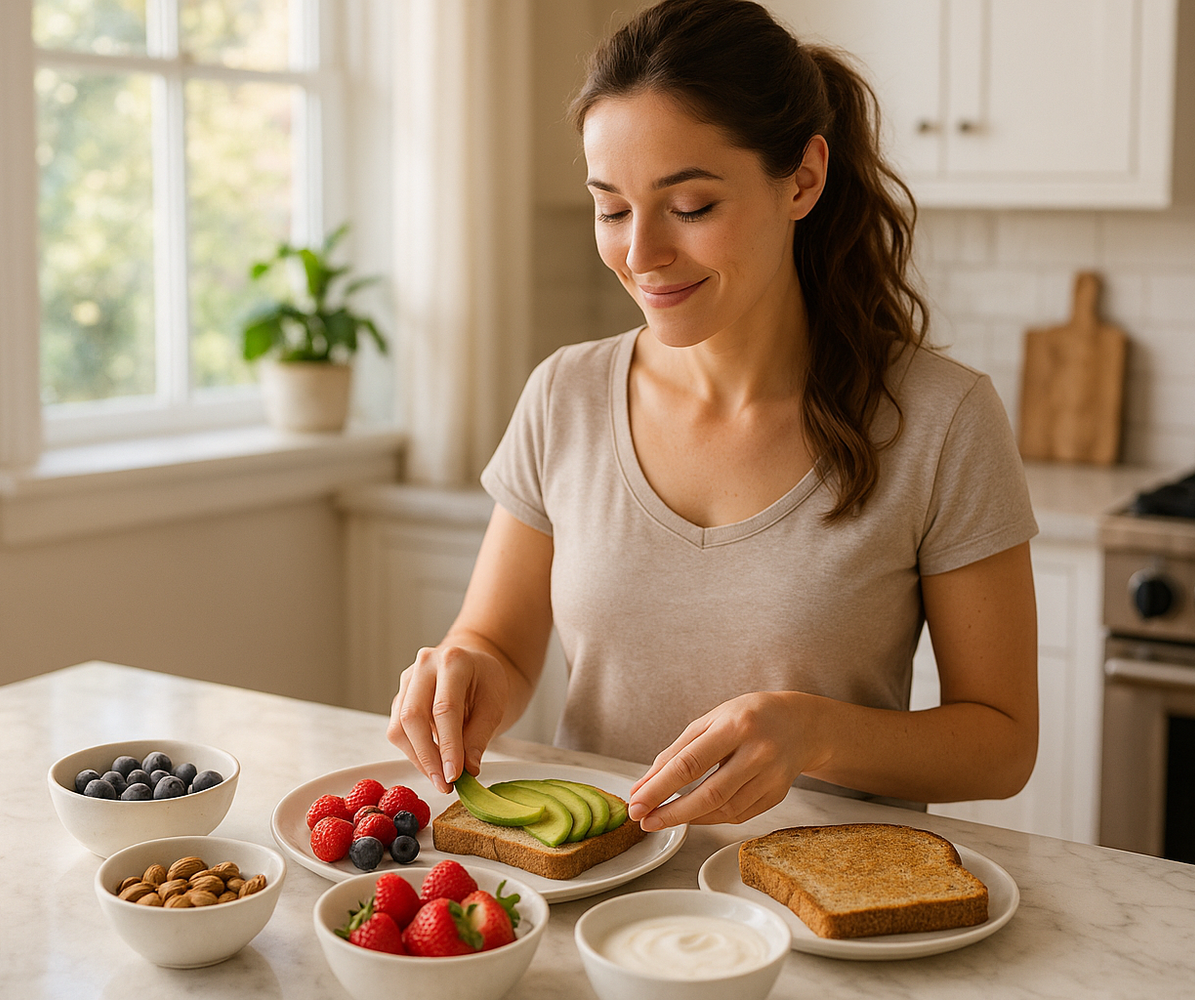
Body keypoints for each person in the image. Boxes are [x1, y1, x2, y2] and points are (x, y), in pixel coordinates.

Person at [387, 0, 1039, 834]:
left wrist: (815, 734)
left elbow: (1003, 742)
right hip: (602, 900)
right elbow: (501, 647)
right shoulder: (566, 395)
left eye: (689, 206)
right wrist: (465, 672)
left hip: (824, 912)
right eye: (612, 208)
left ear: (802, 178)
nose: (640, 253)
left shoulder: (942, 419)